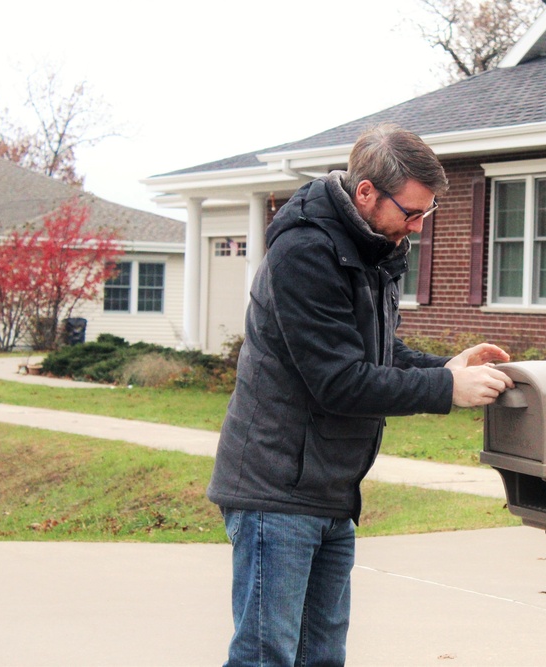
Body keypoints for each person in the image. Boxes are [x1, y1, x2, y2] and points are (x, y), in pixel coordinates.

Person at [207, 123, 514, 667]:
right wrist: (446, 389)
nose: (417, 228)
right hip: (276, 490)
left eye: (427, 214)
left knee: (322, 657)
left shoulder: (371, 247)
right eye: (410, 212)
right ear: (366, 191)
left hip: (330, 492)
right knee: (266, 657)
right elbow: (338, 380)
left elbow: (376, 352)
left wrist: (447, 365)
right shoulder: (304, 250)